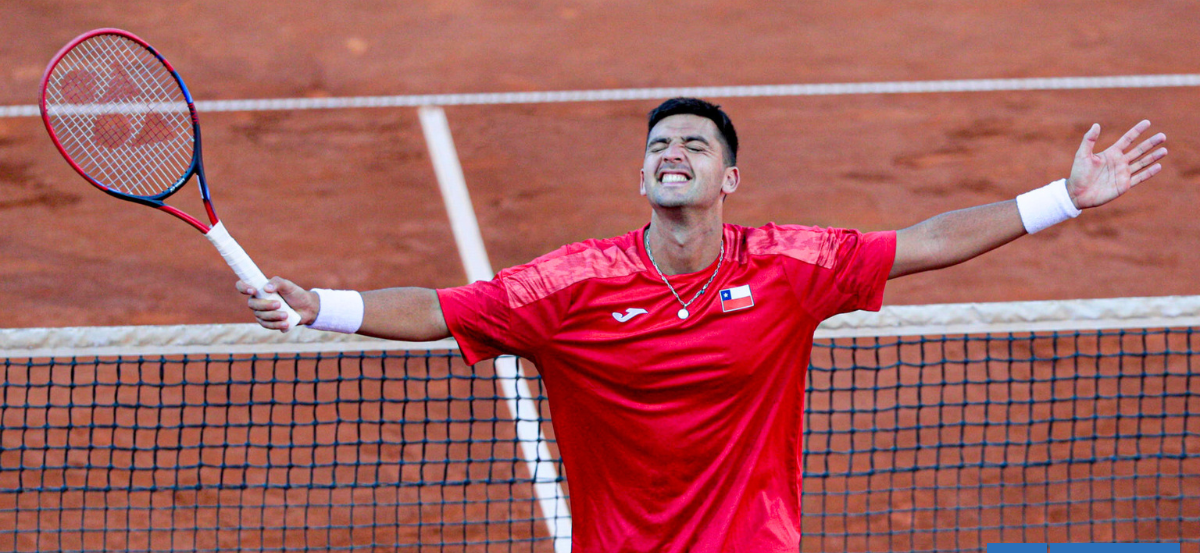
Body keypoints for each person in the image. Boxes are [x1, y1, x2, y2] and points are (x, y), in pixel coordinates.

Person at [237, 98, 1166, 552]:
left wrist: (1064, 199)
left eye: (694, 145)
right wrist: (324, 307)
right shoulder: (574, 284)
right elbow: (443, 311)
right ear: (644, 180)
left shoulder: (791, 266)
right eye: (657, 147)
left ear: (727, 180)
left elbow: (924, 240)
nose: (671, 153)